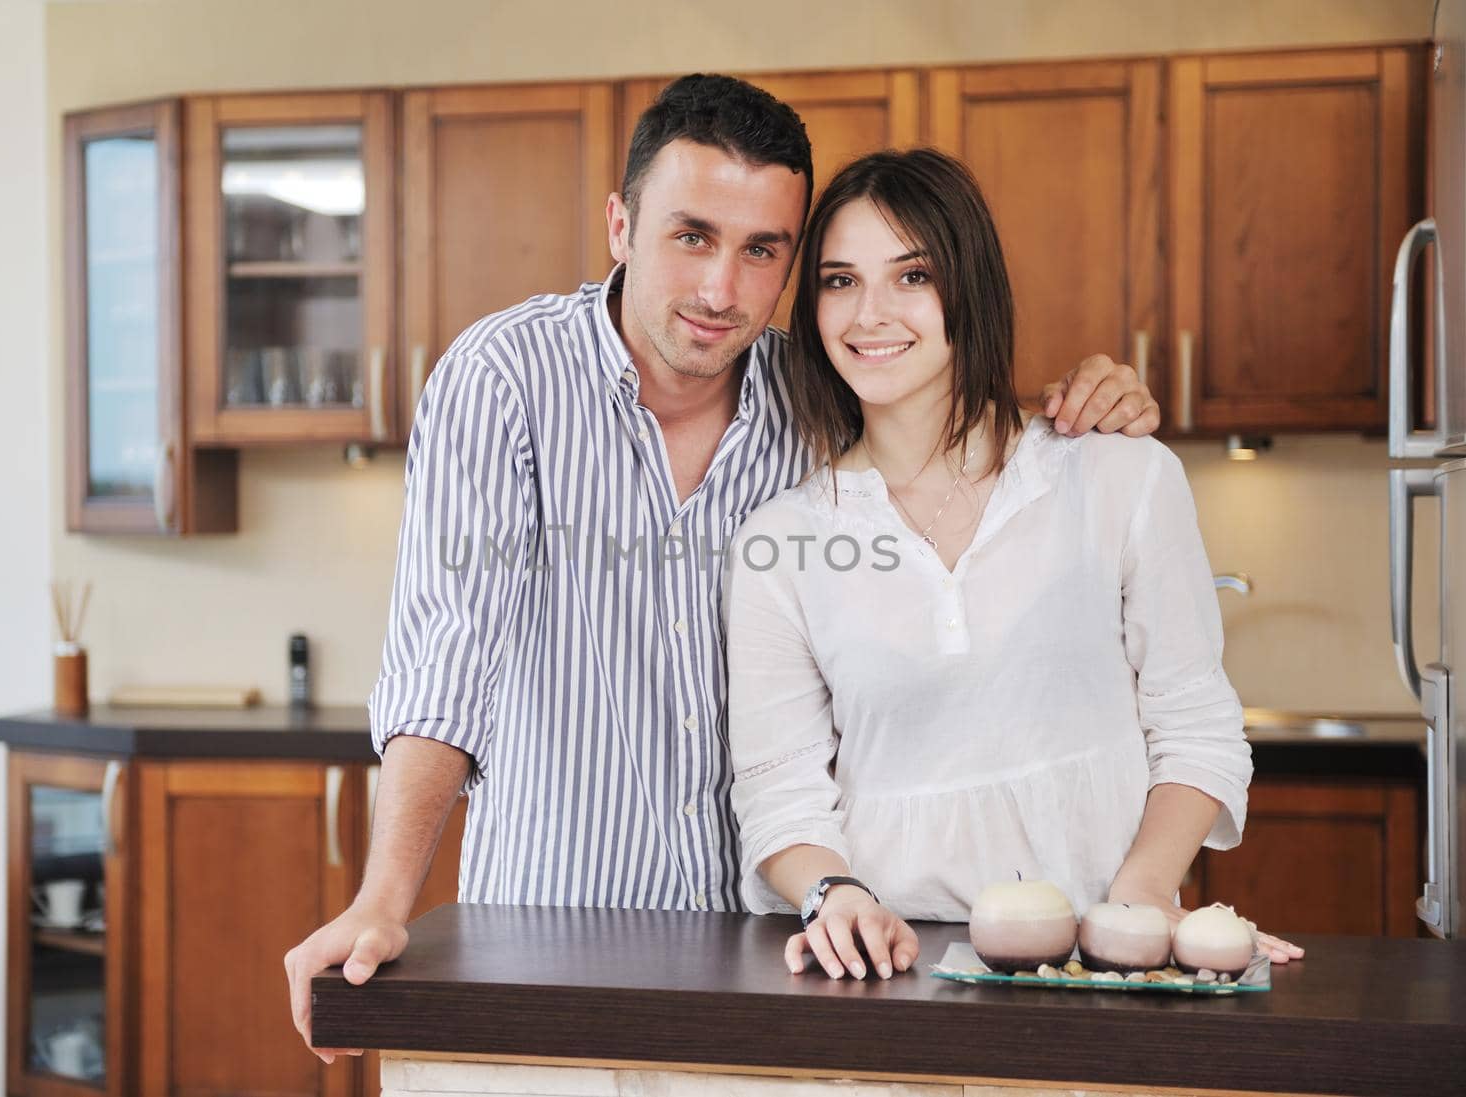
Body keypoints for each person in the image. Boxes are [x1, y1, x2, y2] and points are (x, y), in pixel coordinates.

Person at [284, 75, 1162, 1060]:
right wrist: (381, 900)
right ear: (620, 223)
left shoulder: (820, 390)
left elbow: (957, 427)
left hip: (774, 966)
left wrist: (1089, 402)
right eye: (691, 235)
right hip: (543, 945)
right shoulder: (502, 381)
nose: (721, 290)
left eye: (762, 251)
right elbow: (449, 657)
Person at [724, 146, 1304, 983]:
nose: (869, 313)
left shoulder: (1120, 477)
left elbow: (1196, 727)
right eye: (840, 280)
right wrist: (833, 891)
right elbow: (779, 788)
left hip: (1100, 964)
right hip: (888, 973)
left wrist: (1141, 895)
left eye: (912, 275)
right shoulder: (782, 543)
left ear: (972, 286)